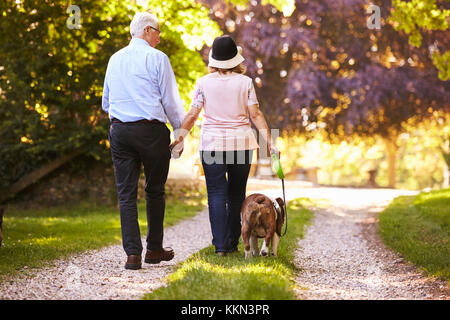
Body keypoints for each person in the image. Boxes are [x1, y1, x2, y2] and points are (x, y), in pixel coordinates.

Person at [170, 35, 277, 256]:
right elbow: (255, 114)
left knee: (216, 194)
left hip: (212, 146)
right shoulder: (245, 83)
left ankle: (220, 247)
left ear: (214, 60)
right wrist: (270, 142)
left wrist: (180, 137)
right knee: (237, 194)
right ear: (235, 60)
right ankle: (232, 243)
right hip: (241, 145)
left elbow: (192, 114)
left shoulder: (203, 83)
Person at [102, 12, 185, 270]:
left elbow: (106, 102)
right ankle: (154, 249)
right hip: (151, 132)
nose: (160, 37)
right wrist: (180, 131)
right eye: (158, 31)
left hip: (121, 131)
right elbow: (171, 101)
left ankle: (133, 255)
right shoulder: (157, 59)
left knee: (126, 194)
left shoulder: (115, 60)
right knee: (155, 190)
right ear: (147, 30)